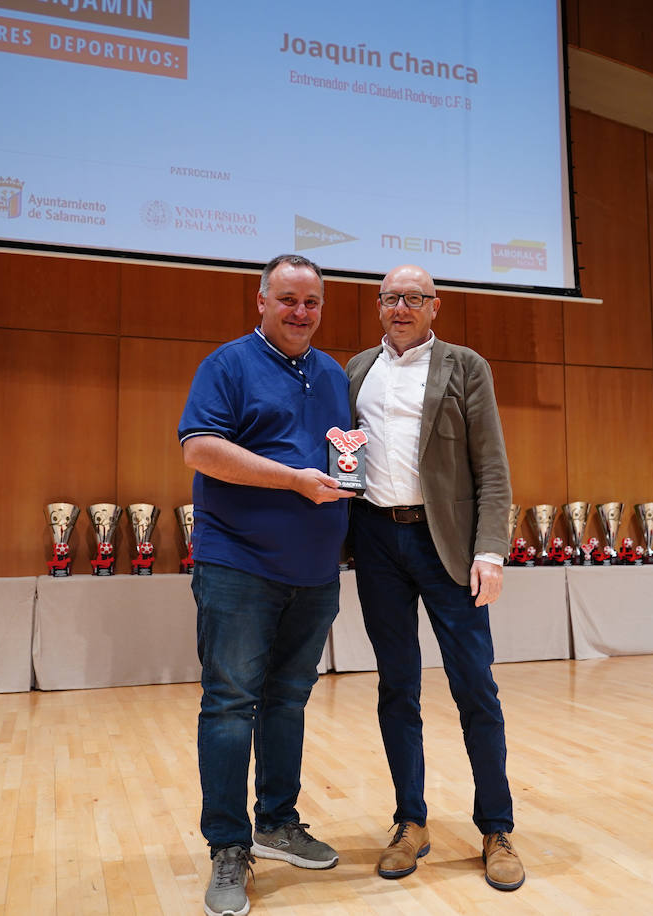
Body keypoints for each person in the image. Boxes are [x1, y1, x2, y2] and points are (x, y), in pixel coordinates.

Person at [178, 254, 357, 916]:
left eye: (311, 302)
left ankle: (277, 822)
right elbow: (199, 448)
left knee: (287, 702)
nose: (300, 312)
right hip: (239, 568)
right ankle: (229, 847)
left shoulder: (335, 374)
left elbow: (345, 459)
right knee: (230, 705)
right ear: (260, 301)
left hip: (315, 573)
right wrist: (290, 479)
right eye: (288, 299)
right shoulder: (226, 365)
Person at [346, 264, 524, 891]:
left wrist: (492, 552)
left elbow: (493, 468)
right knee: (397, 687)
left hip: (446, 545)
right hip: (375, 539)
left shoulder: (466, 367)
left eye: (414, 298)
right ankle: (410, 822)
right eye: (392, 298)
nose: (402, 307)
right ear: (378, 306)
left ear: (435, 306)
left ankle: (496, 827)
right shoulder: (355, 371)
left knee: (475, 686)